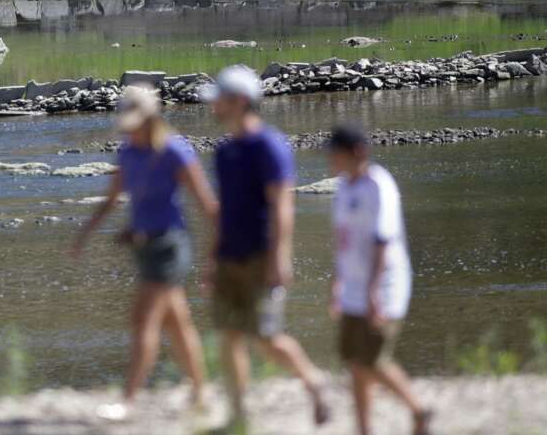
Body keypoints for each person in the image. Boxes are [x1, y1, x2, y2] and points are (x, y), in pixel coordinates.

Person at [71, 85, 218, 421]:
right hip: (142, 246)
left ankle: (128, 400)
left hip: (170, 246)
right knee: (177, 323)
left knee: (143, 319)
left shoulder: (175, 151)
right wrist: (84, 234)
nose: (130, 128)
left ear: (152, 117)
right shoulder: (127, 152)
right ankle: (201, 392)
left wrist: (215, 255)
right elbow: (112, 200)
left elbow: (206, 204)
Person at [199, 65, 329, 431]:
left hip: (260, 257)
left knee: (267, 339)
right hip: (228, 258)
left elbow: (281, 206)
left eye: (219, 101)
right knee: (228, 337)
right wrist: (211, 258)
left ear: (240, 102)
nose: (213, 107)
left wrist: (279, 258)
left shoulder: (269, 146)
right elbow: (224, 210)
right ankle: (239, 416)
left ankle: (314, 382)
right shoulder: (224, 151)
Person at [326, 124, 433, 435]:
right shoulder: (344, 188)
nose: (331, 159)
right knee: (355, 364)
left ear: (357, 152)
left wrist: (373, 293)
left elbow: (382, 241)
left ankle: (419, 410)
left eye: (336, 153)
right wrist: (336, 284)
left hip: (384, 287)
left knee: (371, 360)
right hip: (353, 287)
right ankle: (364, 428)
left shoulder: (379, 185)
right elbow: (343, 241)